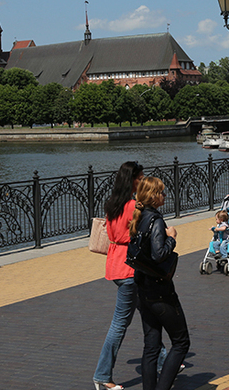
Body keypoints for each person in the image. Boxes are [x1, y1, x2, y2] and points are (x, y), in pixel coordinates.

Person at [130, 177, 190, 390]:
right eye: (162, 192)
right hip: (159, 292)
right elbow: (158, 254)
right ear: (153, 197)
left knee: (151, 346)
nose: (165, 195)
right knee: (181, 342)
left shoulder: (139, 218)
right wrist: (171, 238)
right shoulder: (156, 221)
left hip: (142, 290)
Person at [93, 161, 144, 390]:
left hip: (115, 264)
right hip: (130, 267)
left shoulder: (112, 203)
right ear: (132, 180)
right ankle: (102, 375)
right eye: (140, 178)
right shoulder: (134, 206)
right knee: (120, 324)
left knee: (149, 310)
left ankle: (163, 359)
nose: (142, 181)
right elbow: (139, 235)